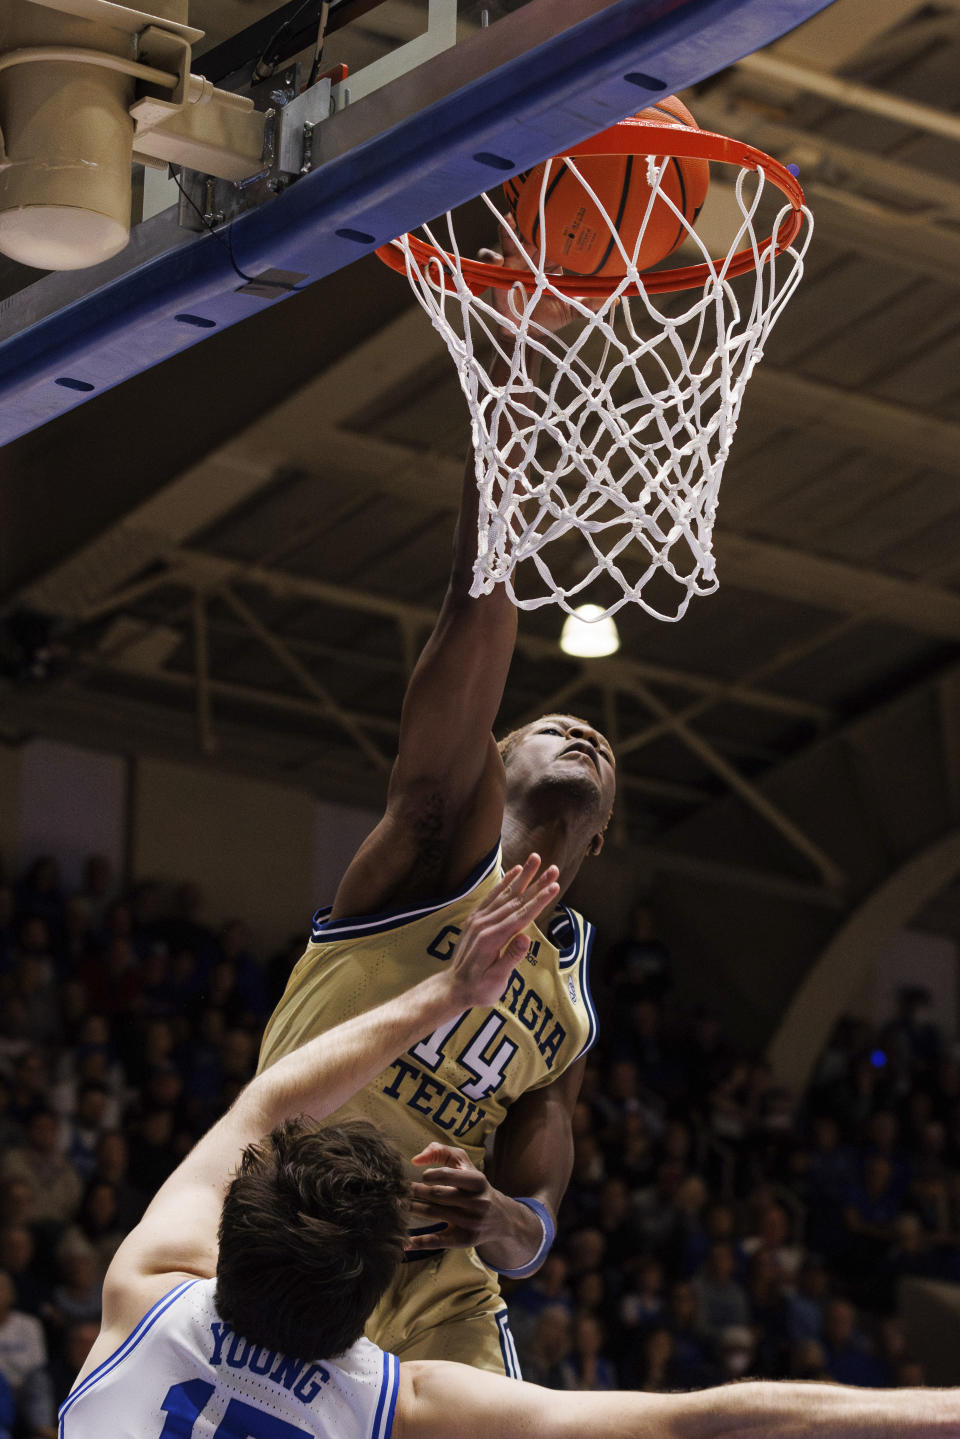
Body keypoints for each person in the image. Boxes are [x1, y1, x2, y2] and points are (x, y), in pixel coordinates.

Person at [64, 867, 960, 1439]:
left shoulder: (146, 1289)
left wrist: (444, 992)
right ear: (367, 1310)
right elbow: (699, 1425)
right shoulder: (384, 1402)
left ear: (229, 1233)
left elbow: (269, 1098)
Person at [257, 254, 617, 1375]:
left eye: (609, 755)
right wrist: (515, 367)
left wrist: (507, 1223)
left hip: (432, 1284)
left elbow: (533, 1217)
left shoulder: (568, 1010)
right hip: (291, 1222)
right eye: (551, 725)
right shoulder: (424, 848)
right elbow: (475, 603)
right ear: (492, 757)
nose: (591, 733)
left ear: (599, 843)